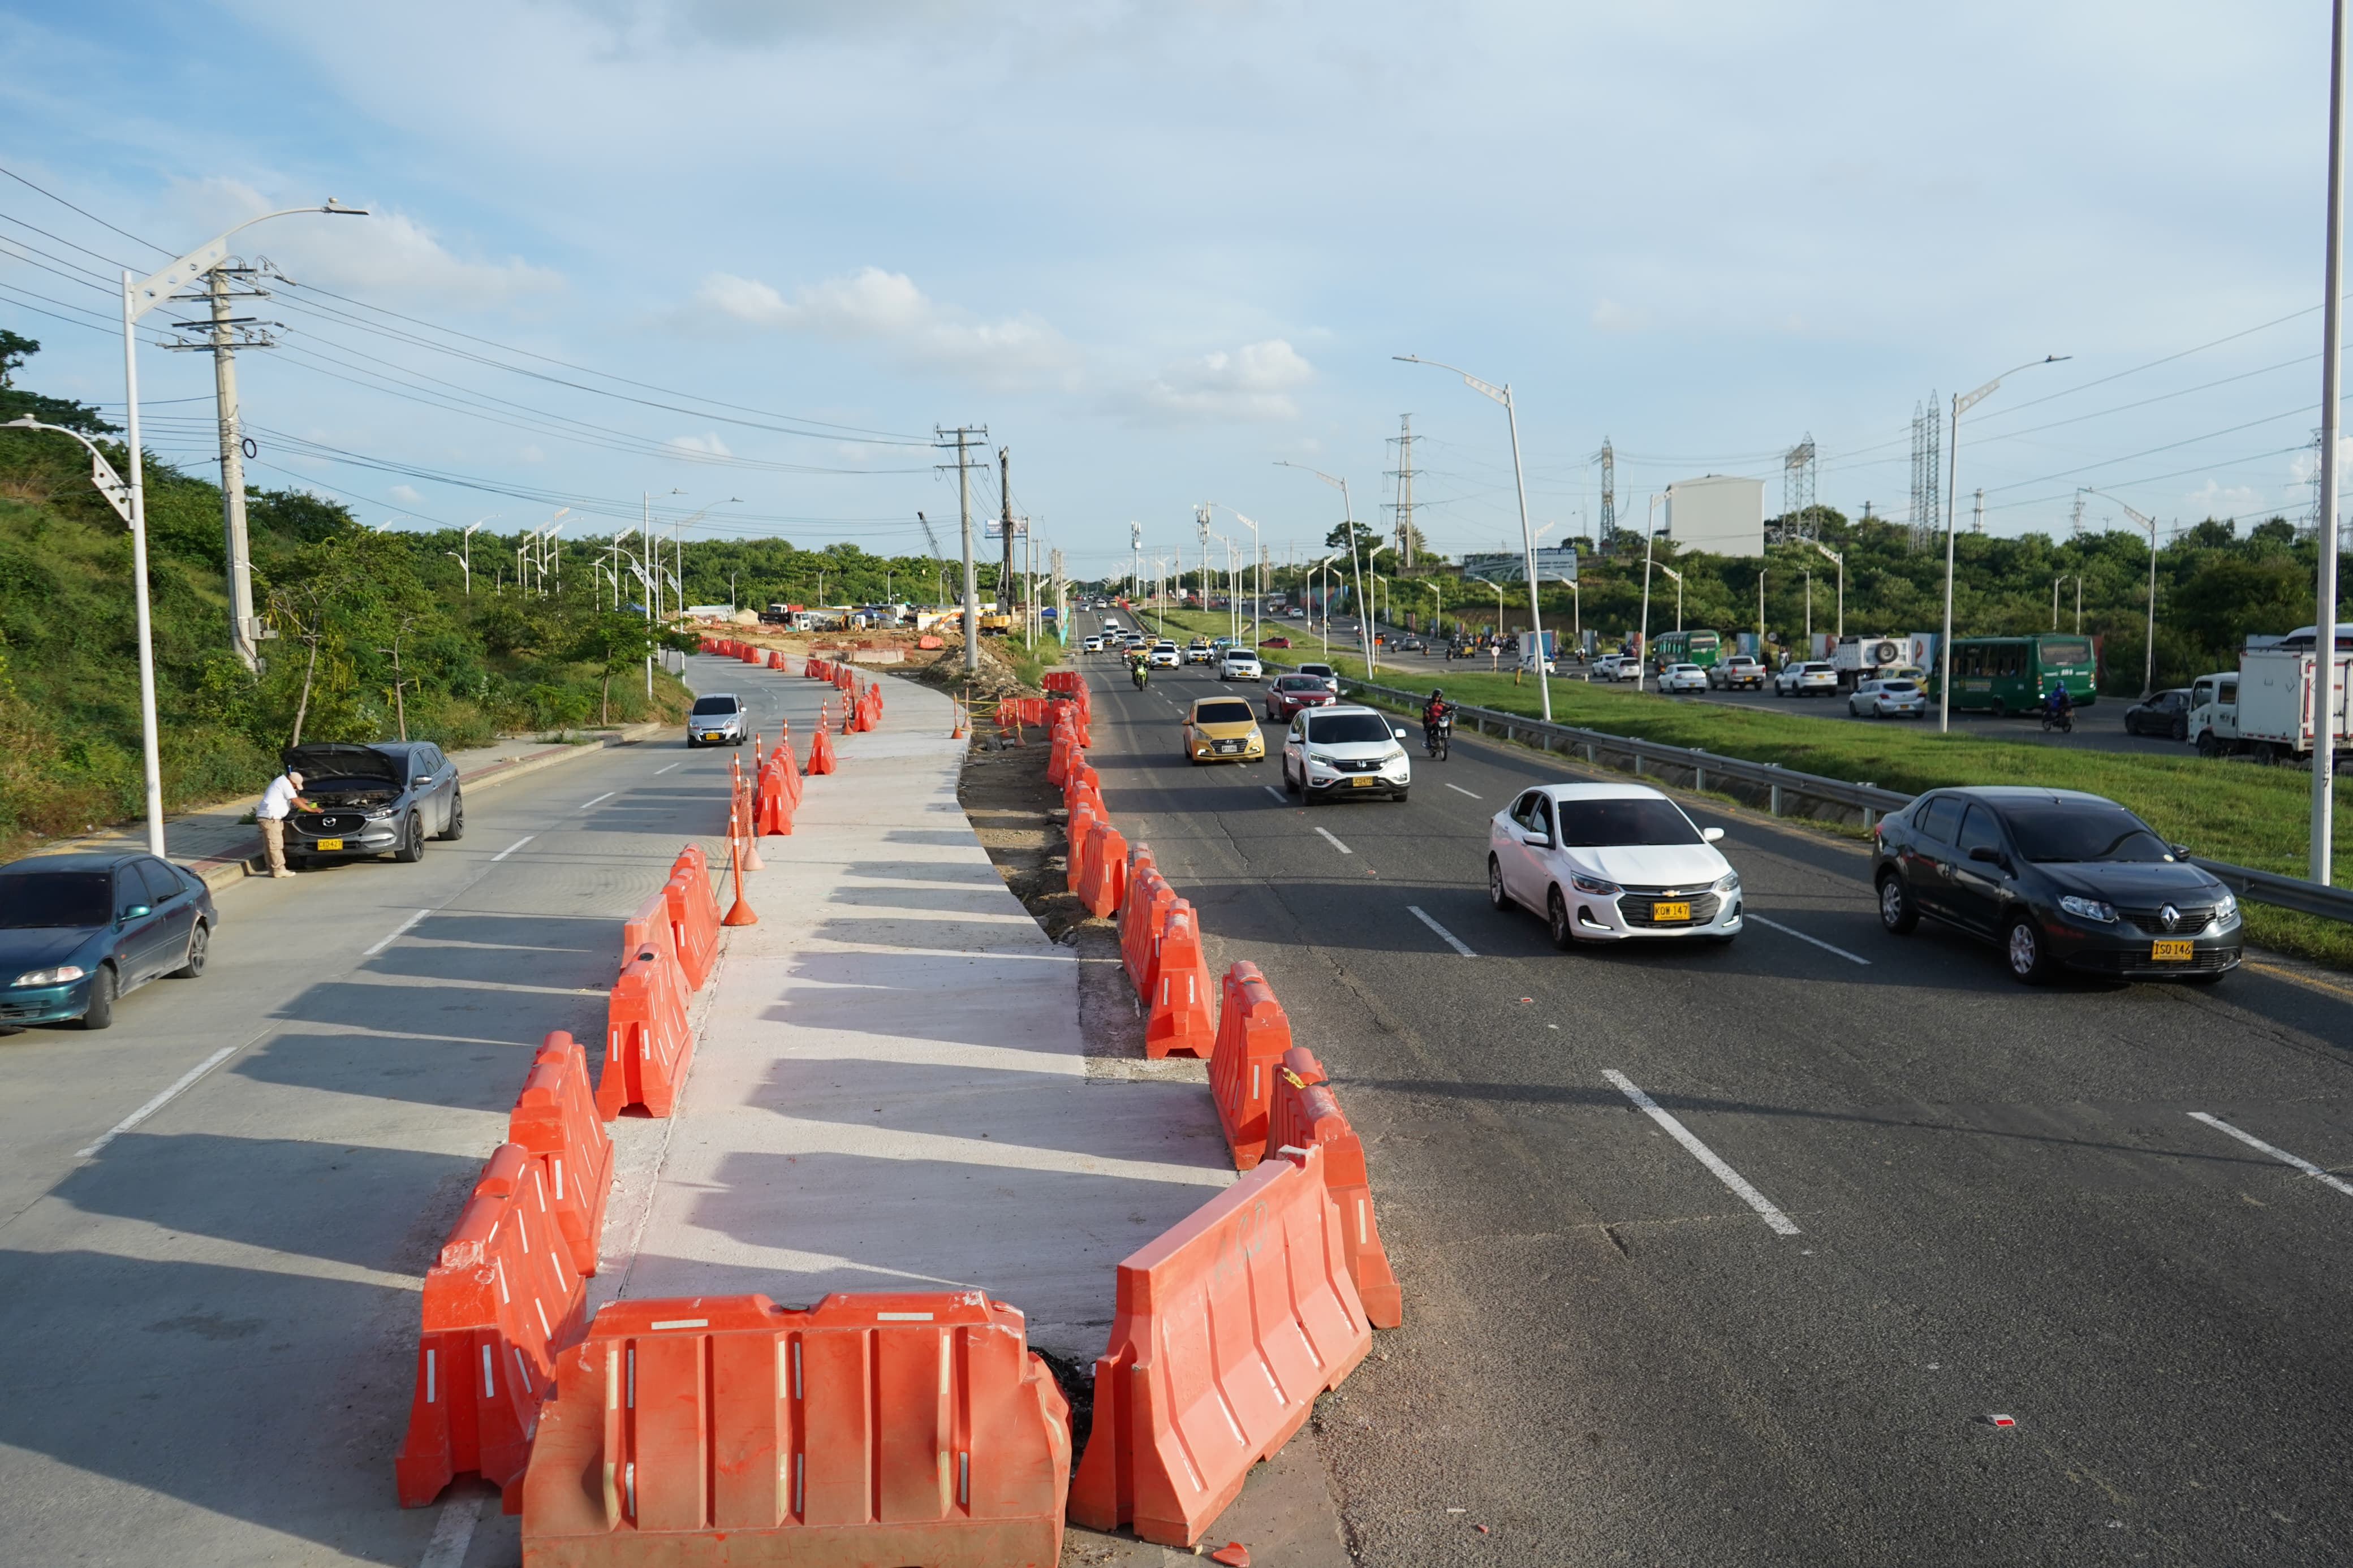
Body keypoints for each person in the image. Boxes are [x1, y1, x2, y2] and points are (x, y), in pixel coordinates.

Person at [255, 766, 312, 879]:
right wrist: (311, 809)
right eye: (295, 786)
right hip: (271, 817)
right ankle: (279, 869)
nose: (295, 788)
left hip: (267, 817)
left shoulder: (281, 781)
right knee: (276, 845)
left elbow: (294, 798)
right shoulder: (285, 783)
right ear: (292, 782)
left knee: (269, 845)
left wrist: (305, 801)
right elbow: (295, 800)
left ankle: (272, 869)